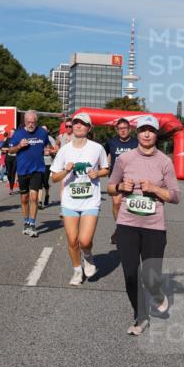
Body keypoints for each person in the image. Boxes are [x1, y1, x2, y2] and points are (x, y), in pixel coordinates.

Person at [107, 115, 181, 335]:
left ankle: (156, 294)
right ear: (137, 133)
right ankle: (141, 316)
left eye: (151, 130)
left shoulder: (164, 162)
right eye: (143, 130)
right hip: (127, 224)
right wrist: (121, 187)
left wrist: (155, 189)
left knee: (150, 277)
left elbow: (176, 196)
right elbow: (110, 187)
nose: (146, 134)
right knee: (130, 275)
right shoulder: (125, 159)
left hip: (154, 227)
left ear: (156, 134)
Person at [50, 113, 110, 285]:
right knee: (72, 240)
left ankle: (88, 256)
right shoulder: (64, 150)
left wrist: (97, 173)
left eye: (83, 124)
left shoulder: (97, 148)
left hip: (91, 200)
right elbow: (54, 178)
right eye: (76, 123)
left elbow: (106, 169)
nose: (78, 126)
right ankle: (77, 271)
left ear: (89, 128)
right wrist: (66, 171)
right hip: (70, 201)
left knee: (84, 240)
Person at [7, 110, 57, 237]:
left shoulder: (42, 133)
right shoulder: (18, 133)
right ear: (25, 122)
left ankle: (32, 224)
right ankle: (26, 222)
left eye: (33, 122)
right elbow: (10, 150)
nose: (31, 124)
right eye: (28, 122)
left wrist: (49, 150)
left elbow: (48, 146)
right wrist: (19, 146)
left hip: (37, 169)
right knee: (24, 198)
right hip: (23, 170)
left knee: (34, 197)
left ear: (36, 122)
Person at [104, 117, 138, 244]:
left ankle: (130, 229)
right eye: (120, 128)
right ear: (116, 130)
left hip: (132, 177)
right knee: (116, 203)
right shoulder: (111, 142)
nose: (123, 131)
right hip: (116, 177)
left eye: (125, 128)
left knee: (131, 205)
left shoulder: (136, 143)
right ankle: (120, 228)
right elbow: (102, 154)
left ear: (130, 129)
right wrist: (105, 167)